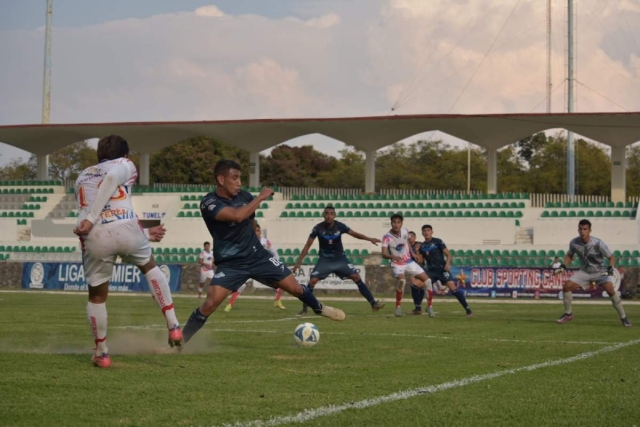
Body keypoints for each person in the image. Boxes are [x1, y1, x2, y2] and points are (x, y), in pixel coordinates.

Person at [181, 160, 345, 345]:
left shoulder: (245, 196)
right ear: (221, 179)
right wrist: (261, 197)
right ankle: (180, 342)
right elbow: (237, 216)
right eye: (234, 178)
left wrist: (256, 240)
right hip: (231, 263)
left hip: (257, 256)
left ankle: (319, 308)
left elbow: (250, 220)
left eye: (240, 178)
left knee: (297, 288)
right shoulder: (209, 202)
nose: (239, 182)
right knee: (209, 304)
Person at [73, 135, 182, 368]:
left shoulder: (82, 175)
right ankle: (173, 325)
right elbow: (112, 181)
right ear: (125, 154)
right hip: (124, 227)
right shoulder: (125, 165)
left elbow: (104, 208)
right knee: (149, 265)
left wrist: (92, 221)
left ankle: (102, 353)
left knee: (97, 297)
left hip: (95, 236)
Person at [293, 205, 384, 315]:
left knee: (356, 277)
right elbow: (307, 245)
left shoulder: (340, 226)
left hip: (340, 259)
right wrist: (299, 262)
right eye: (326, 213)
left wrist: (370, 239)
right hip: (325, 260)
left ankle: (373, 303)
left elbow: (355, 234)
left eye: (331, 214)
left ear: (335, 216)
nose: (329, 216)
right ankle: (304, 309)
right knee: (312, 281)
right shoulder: (318, 228)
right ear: (323, 215)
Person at [555, 219, 632, 327]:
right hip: (585, 272)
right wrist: (563, 266)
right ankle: (568, 314)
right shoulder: (574, 242)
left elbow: (611, 257)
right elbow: (570, 256)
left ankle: (624, 318)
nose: (582, 231)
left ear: (590, 230)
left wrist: (610, 268)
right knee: (566, 286)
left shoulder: (598, 243)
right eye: (580, 229)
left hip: (600, 272)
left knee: (611, 291)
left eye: (585, 229)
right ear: (578, 230)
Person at [412, 225, 473, 317]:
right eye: (424, 231)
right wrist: (416, 252)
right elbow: (421, 261)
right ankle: (418, 308)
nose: (426, 232)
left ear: (432, 232)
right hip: (430, 271)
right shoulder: (422, 246)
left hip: (441, 270)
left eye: (428, 230)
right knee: (417, 285)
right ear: (422, 233)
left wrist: (447, 264)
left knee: (454, 289)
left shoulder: (438, 241)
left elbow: (448, 255)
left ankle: (468, 310)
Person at [224, 223, 286, 311]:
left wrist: (276, 263)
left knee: (280, 282)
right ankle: (230, 304)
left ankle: (277, 301)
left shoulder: (266, 242)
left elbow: (275, 253)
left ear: (260, 232)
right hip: (250, 266)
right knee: (241, 286)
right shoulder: (247, 242)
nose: (256, 232)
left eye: (257, 231)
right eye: (254, 231)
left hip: (263, 266)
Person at [381, 214, 429, 317]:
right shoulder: (386, 237)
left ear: (401, 223)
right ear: (391, 223)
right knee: (402, 281)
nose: (396, 224)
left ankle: (429, 306)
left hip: (409, 262)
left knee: (427, 280)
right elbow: (384, 254)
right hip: (397, 264)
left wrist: (413, 254)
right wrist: (393, 257)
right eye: (394, 222)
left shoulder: (405, 231)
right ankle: (398, 307)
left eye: (398, 222)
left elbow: (407, 242)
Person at [408, 231, 434, 317]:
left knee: (417, 286)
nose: (410, 237)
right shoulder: (406, 246)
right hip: (411, 268)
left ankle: (418, 308)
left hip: (421, 267)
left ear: (415, 237)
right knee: (415, 286)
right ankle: (418, 307)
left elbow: (427, 253)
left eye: (412, 236)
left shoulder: (420, 245)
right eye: (409, 236)